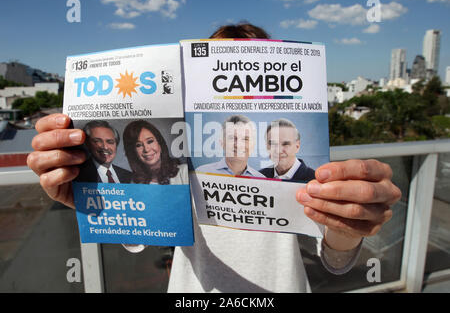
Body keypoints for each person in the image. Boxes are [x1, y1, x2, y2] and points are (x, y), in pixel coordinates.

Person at [27, 23, 401, 292]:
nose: (237, 142)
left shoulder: (285, 177)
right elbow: (138, 241)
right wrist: (93, 200)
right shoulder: (187, 169)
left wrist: (349, 227)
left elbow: (336, 261)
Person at [196, 114, 264, 177]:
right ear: (222, 142)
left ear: (253, 144)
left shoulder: (262, 180)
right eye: (232, 138)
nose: (238, 145)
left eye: (245, 139)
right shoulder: (202, 173)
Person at [122, 120, 188, 185]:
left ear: (160, 143)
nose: (146, 149)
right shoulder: (133, 184)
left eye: (150, 141)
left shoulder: (184, 172)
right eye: (138, 145)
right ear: (133, 153)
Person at [259, 118, 316, 183]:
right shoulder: (259, 177)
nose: (278, 151)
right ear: (266, 146)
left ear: (297, 146)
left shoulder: (315, 179)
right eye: (272, 144)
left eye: (286, 144)